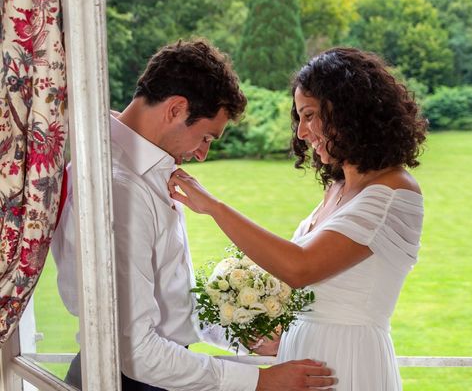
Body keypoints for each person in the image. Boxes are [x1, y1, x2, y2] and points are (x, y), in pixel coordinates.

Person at [51, 39, 335, 391]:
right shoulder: (119, 189)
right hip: (130, 381)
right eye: (205, 138)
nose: (202, 155)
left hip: (149, 373)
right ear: (175, 109)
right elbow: (137, 351)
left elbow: (169, 301)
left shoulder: (143, 171)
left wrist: (239, 332)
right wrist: (259, 381)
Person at [168, 47, 427, 391]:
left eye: (309, 115)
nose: (302, 132)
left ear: (348, 110)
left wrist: (215, 207)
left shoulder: (394, 192)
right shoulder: (337, 189)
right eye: (299, 118)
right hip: (301, 359)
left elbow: (301, 268)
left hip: (347, 361)